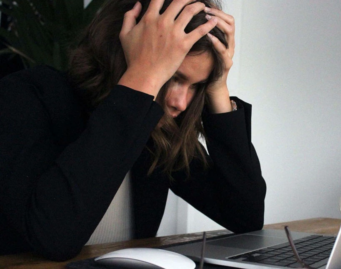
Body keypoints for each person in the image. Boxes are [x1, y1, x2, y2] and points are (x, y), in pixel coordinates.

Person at [0, 0, 266, 261]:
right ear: (123, 50)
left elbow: (246, 216)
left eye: (196, 85)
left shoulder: (157, 130)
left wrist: (218, 87)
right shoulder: (26, 97)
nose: (181, 102)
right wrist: (143, 78)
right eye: (173, 76)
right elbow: (54, 239)